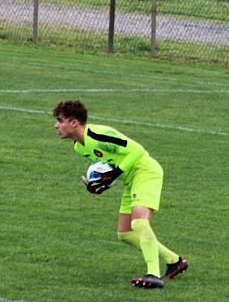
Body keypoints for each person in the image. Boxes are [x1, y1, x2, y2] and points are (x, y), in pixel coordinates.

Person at [53, 99, 187, 289]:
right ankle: (174, 261)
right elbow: (109, 166)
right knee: (125, 233)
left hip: (145, 172)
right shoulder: (79, 146)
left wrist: (115, 173)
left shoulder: (98, 135)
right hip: (130, 180)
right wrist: (99, 184)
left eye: (60, 120)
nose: (56, 125)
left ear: (74, 122)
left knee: (139, 223)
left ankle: (153, 275)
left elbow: (137, 151)